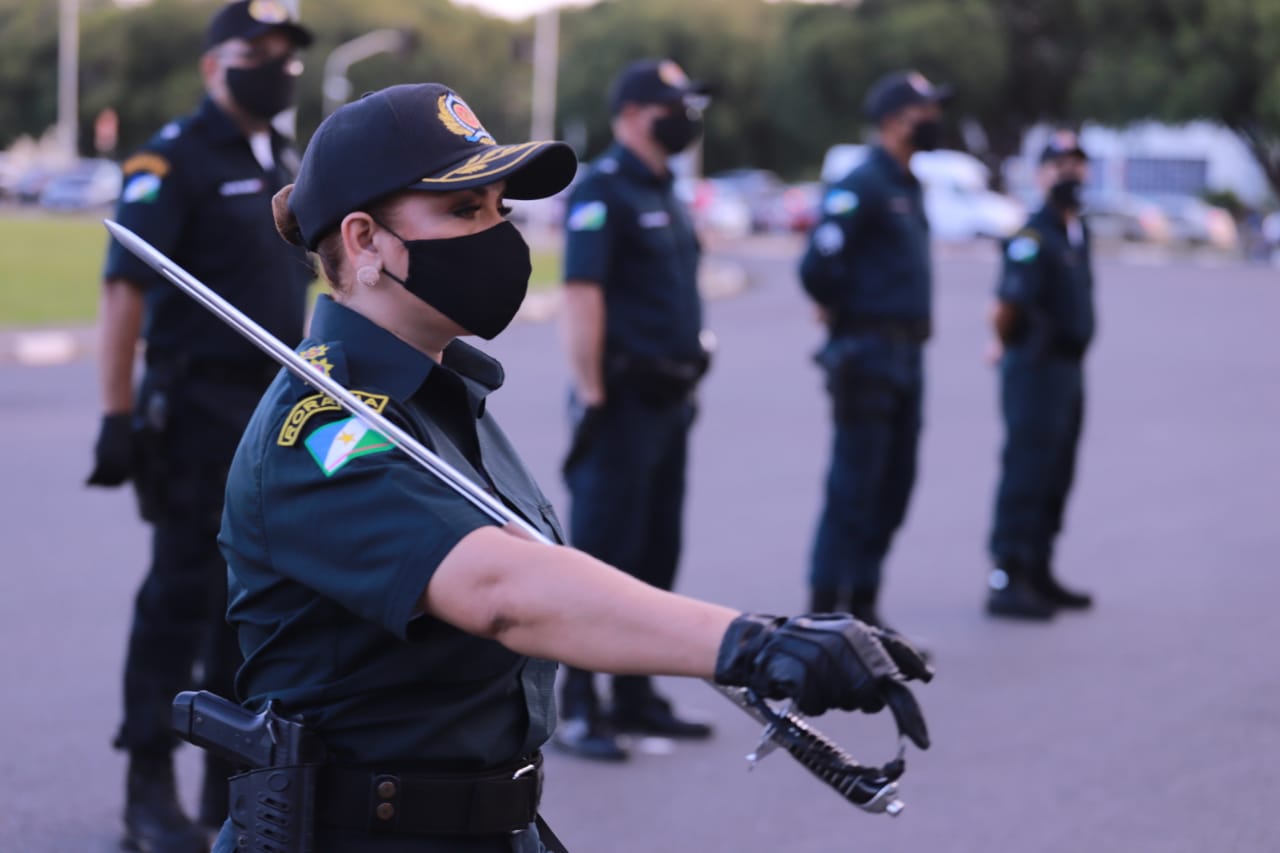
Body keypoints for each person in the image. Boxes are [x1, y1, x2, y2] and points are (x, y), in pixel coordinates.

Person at [210, 81, 932, 853]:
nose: (497, 235)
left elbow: (546, 578)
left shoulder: (440, 396)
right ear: (364, 241)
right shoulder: (322, 428)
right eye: (463, 211)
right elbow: (502, 590)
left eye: (499, 211)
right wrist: (749, 644)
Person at [85, 2, 314, 849]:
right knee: (178, 603)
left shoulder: (281, 157)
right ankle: (148, 785)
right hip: (194, 411)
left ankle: (235, 793)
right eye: (260, 51)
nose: (278, 66)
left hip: (272, 415)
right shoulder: (172, 158)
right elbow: (124, 292)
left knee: (248, 610)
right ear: (216, 62)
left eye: (289, 53)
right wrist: (115, 414)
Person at [555, 59, 715, 761]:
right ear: (629, 114)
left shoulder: (667, 190)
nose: (681, 117)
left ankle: (637, 692)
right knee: (601, 557)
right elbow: (582, 295)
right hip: (619, 398)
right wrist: (592, 393)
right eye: (667, 106)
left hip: (669, 401)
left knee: (656, 551)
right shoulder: (604, 190)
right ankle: (580, 703)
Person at [798, 70, 950, 631]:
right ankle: (824, 615)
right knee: (854, 486)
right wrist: (846, 312)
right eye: (923, 110)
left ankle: (862, 607)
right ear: (892, 121)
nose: (934, 120)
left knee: (894, 484)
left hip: (907, 355)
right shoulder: (861, 183)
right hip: (866, 355)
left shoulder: (908, 183)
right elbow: (817, 264)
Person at [985, 130, 1096, 619]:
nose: (1069, 172)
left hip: (1069, 371)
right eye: (1058, 164)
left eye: (1076, 163)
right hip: (1035, 369)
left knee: (1058, 472)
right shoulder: (1032, 235)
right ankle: (1007, 576)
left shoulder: (1078, 230)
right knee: (1027, 471)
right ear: (1040, 175)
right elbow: (1006, 306)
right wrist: (1006, 347)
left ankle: (1039, 568)